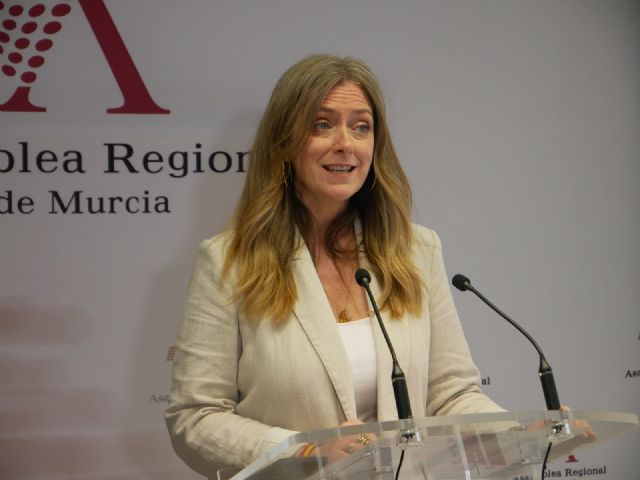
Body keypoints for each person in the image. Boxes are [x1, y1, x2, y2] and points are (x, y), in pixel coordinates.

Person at [165, 54, 504, 477]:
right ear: (284, 143)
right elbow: (195, 419)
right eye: (322, 125)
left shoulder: (418, 251)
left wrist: (519, 430)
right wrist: (307, 450)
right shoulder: (228, 262)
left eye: (361, 127)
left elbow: (450, 395)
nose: (346, 143)